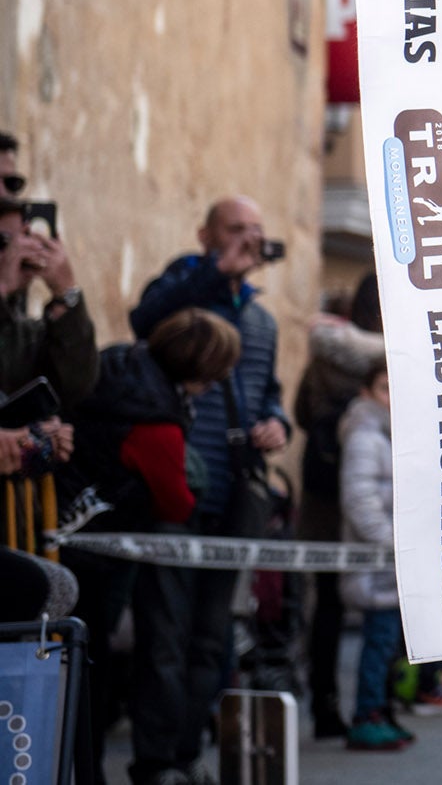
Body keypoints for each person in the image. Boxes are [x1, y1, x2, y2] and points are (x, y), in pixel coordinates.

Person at [128, 198, 293, 772]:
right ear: (206, 235)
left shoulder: (261, 320)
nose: (249, 241)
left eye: (257, 231)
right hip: (176, 491)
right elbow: (142, 323)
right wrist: (214, 271)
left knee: (211, 637)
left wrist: (279, 422)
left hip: (234, 495)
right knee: (164, 638)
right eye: (236, 231)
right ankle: (153, 763)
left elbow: (268, 391)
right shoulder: (183, 284)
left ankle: (184, 752)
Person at [61, 307, 241, 785]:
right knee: (93, 674)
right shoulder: (156, 421)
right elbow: (175, 502)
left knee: (83, 669)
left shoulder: (122, 366)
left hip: (68, 526)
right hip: (100, 551)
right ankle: (89, 773)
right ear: (203, 370)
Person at [295, 276, 385, 737]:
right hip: (379, 504)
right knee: (384, 608)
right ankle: (377, 706)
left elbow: (301, 414)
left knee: (327, 607)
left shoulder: (325, 359)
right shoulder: (399, 362)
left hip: (324, 503)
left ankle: (325, 705)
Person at [337, 360, 414, 751]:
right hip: (378, 565)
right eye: (383, 387)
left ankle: (381, 712)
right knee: (377, 643)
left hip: (393, 566)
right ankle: (366, 716)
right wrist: (393, 545)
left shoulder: (388, 435)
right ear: (365, 392)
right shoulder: (365, 437)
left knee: (388, 646)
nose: (390, 397)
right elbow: (360, 501)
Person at [0, 195, 98, 408]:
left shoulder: (20, 327)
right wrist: (2, 287)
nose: (17, 252)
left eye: (27, 239)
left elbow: (75, 385)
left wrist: (66, 296)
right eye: (5, 243)